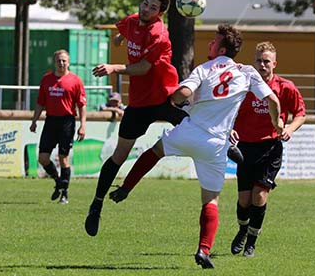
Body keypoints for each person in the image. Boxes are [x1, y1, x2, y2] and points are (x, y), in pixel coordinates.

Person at [108, 24, 284, 269]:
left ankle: (126, 188)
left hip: (191, 131)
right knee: (210, 200)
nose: (210, 43)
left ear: (221, 47)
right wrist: (276, 123)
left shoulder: (205, 68)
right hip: (216, 144)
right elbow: (273, 100)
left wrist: (175, 100)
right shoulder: (247, 72)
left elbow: (182, 93)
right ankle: (203, 250)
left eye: (214, 40)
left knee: (155, 151)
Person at [84, 0, 188, 237]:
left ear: (160, 13)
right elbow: (123, 31)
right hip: (139, 104)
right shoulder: (133, 20)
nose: (146, 9)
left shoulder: (159, 34)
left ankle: (227, 143)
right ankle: (96, 204)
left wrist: (113, 67)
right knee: (118, 156)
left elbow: (141, 68)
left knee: (192, 118)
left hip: (164, 96)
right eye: (145, 3)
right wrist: (121, 38)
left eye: (153, 8)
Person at [229, 42, 306, 258]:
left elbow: (300, 113)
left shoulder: (285, 87)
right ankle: (243, 229)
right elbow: (231, 111)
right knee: (244, 200)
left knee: (259, 195)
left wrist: (290, 128)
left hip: (270, 147)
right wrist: (231, 129)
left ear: (274, 63)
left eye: (266, 61)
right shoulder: (244, 85)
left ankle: (251, 243)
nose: (262, 65)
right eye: (259, 61)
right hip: (245, 147)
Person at [30, 49, 87, 204]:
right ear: (54, 62)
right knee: (43, 158)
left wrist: (83, 125)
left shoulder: (75, 81)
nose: (61, 63)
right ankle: (58, 181)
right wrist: (34, 120)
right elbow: (40, 102)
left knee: (63, 158)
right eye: (58, 61)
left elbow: (81, 105)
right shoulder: (47, 80)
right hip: (50, 121)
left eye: (64, 61)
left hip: (67, 122)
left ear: (68, 62)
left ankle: (64, 193)